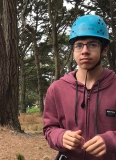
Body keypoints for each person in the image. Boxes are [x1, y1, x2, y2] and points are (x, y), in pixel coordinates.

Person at [43, 14, 116, 160]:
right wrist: (60, 136)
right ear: (73, 51)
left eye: (92, 44)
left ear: (105, 49)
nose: (84, 51)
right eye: (79, 45)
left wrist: (111, 140)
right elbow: (49, 129)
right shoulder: (57, 89)